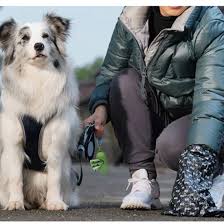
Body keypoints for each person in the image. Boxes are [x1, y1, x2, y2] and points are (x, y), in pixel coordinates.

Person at [85, 6, 224, 216]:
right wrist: (100, 108)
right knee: (124, 81)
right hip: (165, 108)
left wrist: (198, 160)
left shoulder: (210, 22)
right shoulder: (132, 18)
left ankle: (216, 173)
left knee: (172, 147)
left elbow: (211, 98)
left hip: (206, 114)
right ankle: (144, 181)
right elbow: (110, 72)